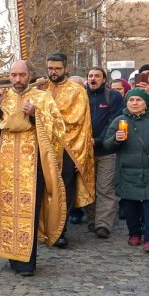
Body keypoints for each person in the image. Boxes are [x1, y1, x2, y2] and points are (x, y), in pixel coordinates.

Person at [0, 60, 66, 276]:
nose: (17, 79)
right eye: (13, 75)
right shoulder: (2, 96)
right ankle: (13, 257)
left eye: (22, 75)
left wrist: (35, 115)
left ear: (30, 75)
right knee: (7, 209)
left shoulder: (42, 98)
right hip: (5, 163)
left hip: (32, 165)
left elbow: (58, 129)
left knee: (27, 209)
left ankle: (27, 262)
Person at [101, 88, 149, 254]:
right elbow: (107, 145)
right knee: (130, 207)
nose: (134, 103)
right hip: (128, 172)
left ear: (146, 103)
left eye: (138, 100)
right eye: (131, 100)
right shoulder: (119, 121)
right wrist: (116, 140)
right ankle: (134, 233)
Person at [39, 53, 94, 241]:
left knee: (64, 189)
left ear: (66, 69)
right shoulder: (42, 88)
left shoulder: (77, 91)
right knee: (44, 188)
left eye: (57, 69)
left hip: (67, 148)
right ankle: (43, 228)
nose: (53, 72)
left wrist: (44, 116)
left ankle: (60, 231)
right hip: (43, 147)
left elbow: (73, 120)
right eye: (50, 69)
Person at [85, 67, 125, 238]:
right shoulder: (81, 96)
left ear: (103, 79)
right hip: (85, 151)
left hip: (106, 150)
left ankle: (103, 224)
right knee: (88, 187)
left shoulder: (113, 97)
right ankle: (92, 220)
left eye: (97, 76)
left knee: (105, 188)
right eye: (91, 76)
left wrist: (99, 140)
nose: (93, 78)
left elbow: (113, 122)